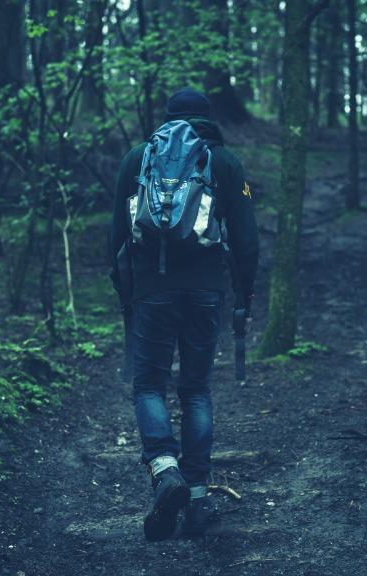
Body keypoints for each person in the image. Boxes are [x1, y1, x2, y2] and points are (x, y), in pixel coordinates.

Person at [108, 88, 259, 541]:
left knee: (148, 383)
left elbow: (117, 234)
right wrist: (243, 298)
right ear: (208, 119)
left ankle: (163, 468)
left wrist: (126, 294)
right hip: (207, 291)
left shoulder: (138, 159)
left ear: (167, 117)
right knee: (195, 389)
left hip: (152, 291)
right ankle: (194, 498)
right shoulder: (227, 163)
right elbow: (247, 243)